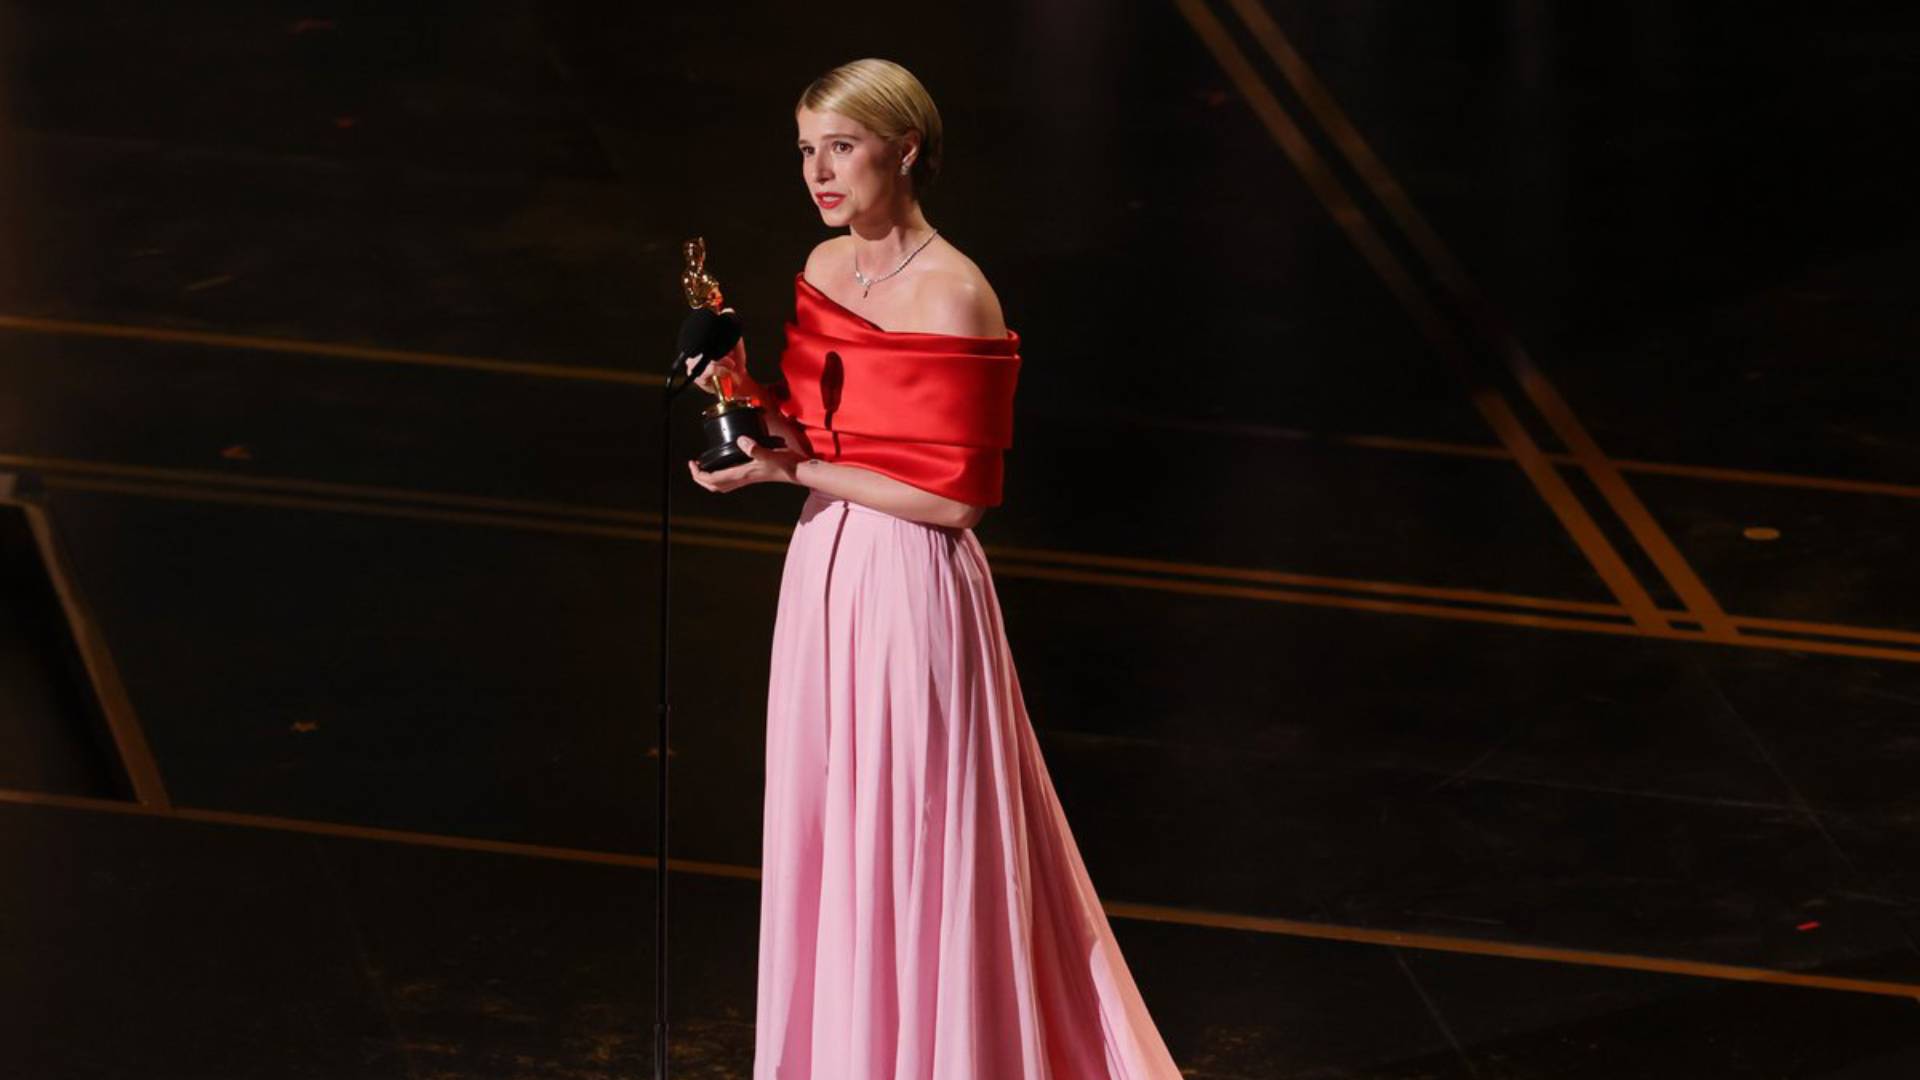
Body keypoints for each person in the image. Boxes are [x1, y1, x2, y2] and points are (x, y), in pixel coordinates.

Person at [684, 57, 1183, 1080]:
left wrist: (799, 469)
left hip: (912, 581)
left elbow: (956, 499)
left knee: (916, 827)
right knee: (836, 821)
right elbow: (818, 427)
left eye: (843, 147)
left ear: (905, 149)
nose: (820, 173)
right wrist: (736, 396)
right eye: (807, 151)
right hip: (825, 565)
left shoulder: (958, 295)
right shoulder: (827, 269)